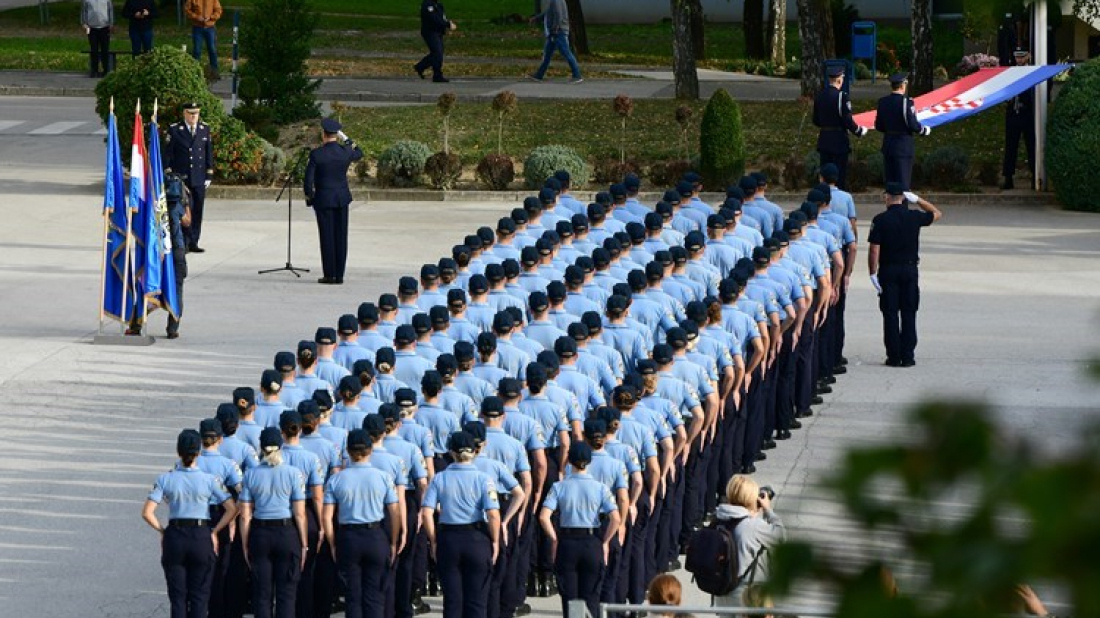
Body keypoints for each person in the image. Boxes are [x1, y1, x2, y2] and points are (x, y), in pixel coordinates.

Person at [142, 430, 238, 618]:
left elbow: (147, 512)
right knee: (200, 597)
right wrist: (215, 531)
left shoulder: (166, 478)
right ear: (198, 452)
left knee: (178, 598)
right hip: (201, 534)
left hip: (176, 535)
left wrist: (162, 531)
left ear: (178, 451)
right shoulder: (210, 480)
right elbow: (231, 508)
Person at [321, 428, 402, 618]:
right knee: (375, 595)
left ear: (348, 452)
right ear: (370, 450)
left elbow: (326, 517)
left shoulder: (336, 480)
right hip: (375, 536)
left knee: (353, 595)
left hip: (348, 537)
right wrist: (392, 540)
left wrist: (332, 543)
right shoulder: (384, 477)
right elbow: (395, 512)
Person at [420, 431, 502, 618]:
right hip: (476, 538)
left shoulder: (439, 478)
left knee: (452, 601)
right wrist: (495, 541)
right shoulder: (483, 479)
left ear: (451, 452)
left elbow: (426, 512)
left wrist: (433, 541)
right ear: (474, 452)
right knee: (477, 601)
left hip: (449, 539)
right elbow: (493, 514)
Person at [539, 442, 620, 618]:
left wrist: (554, 539)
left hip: (567, 543)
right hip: (591, 542)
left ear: (569, 460)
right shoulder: (600, 488)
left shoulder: (559, 487)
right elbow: (616, 518)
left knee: (570, 601)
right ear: (589, 461)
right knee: (591, 598)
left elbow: (544, 516)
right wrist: (605, 541)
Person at [867, 183, 942, 368]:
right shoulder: (914, 216)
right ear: (904, 197)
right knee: (909, 312)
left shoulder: (880, 219)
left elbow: (874, 250)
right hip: (909, 270)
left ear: (886, 197)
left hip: (888, 270)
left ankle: (893, 356)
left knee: (890, 313)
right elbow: (937, 213)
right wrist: (918, 200)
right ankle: (908, 356)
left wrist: (872, 272)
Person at [239, 427, 309, 618]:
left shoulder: (251, 474)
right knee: (286, 594)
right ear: (281, 446)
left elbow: (245, 515)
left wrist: (245, 543)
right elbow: (300, 514)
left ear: (261, 447)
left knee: (262, 594)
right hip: (286, 533)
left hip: (260, 533)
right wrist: (303, 543)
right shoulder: (294, 474)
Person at [303, 117, 364, 285]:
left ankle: (329, 274)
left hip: (323, 200)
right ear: (336, 135)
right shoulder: (345, 151)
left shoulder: (317, 154)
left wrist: (310, 197)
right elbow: (359, 152)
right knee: (341, 236)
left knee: (327, 237)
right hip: (341, 199)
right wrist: (346, 139)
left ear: (324, 134)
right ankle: (340, 275)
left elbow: (308, 180)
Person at [712, 475, 785, 609]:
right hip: (746, 595)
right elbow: (780, 536)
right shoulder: (753, 526)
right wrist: (768, 510)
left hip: (721, 593)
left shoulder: (717, 520)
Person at [166, 102, 213, 254]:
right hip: (182, 178)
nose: (194, 116)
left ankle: (194, 241)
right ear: (184, 113)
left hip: (198, 178)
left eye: (196, 113)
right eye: (191, 113)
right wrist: (169, 173)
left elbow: (208, 152)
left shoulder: (204, 129)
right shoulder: (175, 130)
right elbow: (168, 154)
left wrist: (209, 172)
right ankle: (183, 242)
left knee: (198, 209)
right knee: (184, 210)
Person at [813, 64, 867, 190]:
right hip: (839, 141)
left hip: (824, 140)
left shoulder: (820, 96)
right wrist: (858, 130)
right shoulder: (842, 96)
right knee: (838, 176)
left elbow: (815, 120)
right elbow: (847, 119)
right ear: (839, 80)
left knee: (825, 175)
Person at [874, 73, 930, 191]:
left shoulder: (883, 102)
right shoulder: (906, 103)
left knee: (890, 184)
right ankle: (902, 209)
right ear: (903, 85)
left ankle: (891, 208)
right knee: (903, 184)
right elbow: (913, 124)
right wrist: (924, 130)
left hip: (888, 145)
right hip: (903, 147)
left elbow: (878, 125)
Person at [1002, 48, 1036, 190]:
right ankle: (1008, 177)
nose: (1019, 60)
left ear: (1028, 57)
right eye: (1017, 57)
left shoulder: (1032, 72)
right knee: (1011, 146)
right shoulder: (1012, 72)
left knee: (1031, 146)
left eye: (1022, 57)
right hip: (1013, 113)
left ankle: (1035, 176)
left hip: (1027, 113)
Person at [528, 0, 583, 84]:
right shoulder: (558, 1)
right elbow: (548, 13)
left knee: (566, 53)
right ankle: (539, 75)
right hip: (555, 32)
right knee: (547, 55)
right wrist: (536, 18)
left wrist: (554, 29)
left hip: (558, 33)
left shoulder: (556, 1)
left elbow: (558, 15)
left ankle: (577, 75)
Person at [415, 0, 456, 83]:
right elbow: (433, 19)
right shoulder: (427, 4)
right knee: (437, 52)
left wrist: (445, 28)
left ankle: (423, 67)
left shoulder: (439, 5)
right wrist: (447, 24)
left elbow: (442, 18)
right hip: (430, 32)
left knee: (438, 53)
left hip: (438, 32)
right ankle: (434, 73)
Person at [185, 0, 222, 79]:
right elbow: (187, 10)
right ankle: (195, 72)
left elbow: (218, 10)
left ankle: (214, 72)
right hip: (197, 27)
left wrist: (211, 17)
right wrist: (196, 17)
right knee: (197, 50)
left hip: (210, 27)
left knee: (212, 49)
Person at [81, 0, 113, 77]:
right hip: (91, 28)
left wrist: (111, 23)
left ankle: (106, 70)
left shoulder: (107, 0)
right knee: (93, 50)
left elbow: (110, 11)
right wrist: (84, 23)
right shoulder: (86, 1)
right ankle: (94, 70)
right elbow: (84, 11)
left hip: (104, 27)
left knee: (105, 50)